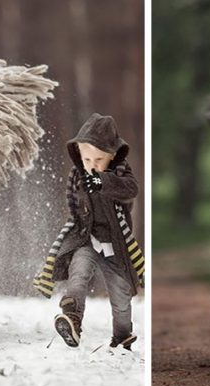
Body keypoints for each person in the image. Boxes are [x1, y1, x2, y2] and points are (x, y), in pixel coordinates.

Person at [33, 113, 145, 350]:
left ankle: (122, 336)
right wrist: (72, 234)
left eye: (99, 159)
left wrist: (103, 182)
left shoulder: (121, 173)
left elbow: (130, 190)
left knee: (121, 295)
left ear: (113, 156)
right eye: (87, 159)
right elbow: (73, 207)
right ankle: (72, 319)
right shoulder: (77, 176)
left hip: (114, 244)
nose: (92, 165)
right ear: (79, 154)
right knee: (79, 274)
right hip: (86, 239)